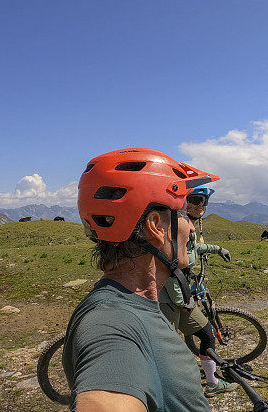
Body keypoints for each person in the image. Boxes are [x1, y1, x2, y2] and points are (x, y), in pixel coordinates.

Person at [63, 148, 218, 412]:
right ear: (156, 226)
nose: (191, 227)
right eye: (182, 213)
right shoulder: (111, 323)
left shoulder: (134, 304)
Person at [158, 185, 238, 395]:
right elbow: (167, 265)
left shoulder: (187, 224)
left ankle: (212, 383)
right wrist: (182, 301)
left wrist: (217, 249)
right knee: (167, 347)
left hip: (180, 295)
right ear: (183, 201)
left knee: (207, 334)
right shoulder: (174, 226)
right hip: (167, 298)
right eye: (195, 199)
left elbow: (193, 249)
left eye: (204, 201)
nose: (201, 205)